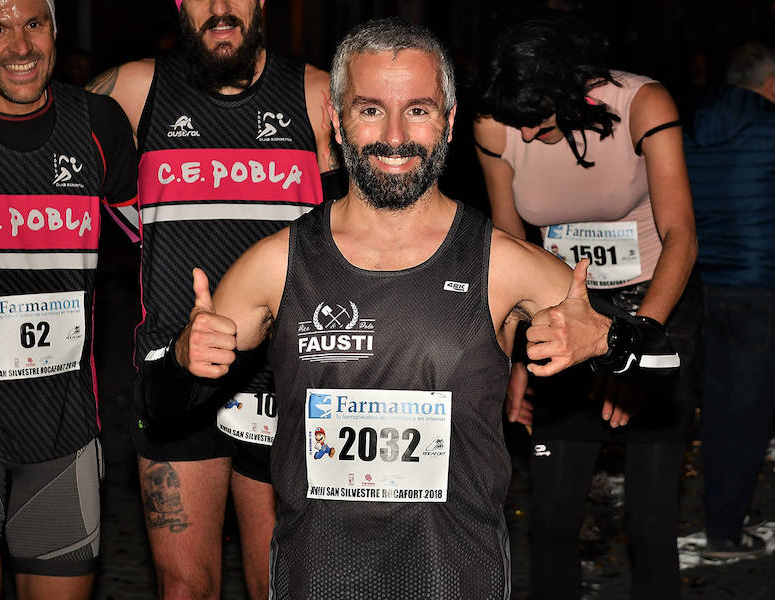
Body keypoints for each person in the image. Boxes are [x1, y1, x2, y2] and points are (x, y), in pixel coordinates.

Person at [142, 17, 680, 598]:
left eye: (418, 110)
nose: (394, 136)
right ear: (337, 122)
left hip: (456, 578)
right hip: (316, 579)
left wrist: (608, 342)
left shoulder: (500, 263)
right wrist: (180, 360)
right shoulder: (277, 265)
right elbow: (162, 412)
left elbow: (664, 361)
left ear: (449, 123)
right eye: (370, 109)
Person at [0, 2, 340, 597]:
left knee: (283, 584)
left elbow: (380, 199)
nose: (220, 8)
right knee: (184, 587)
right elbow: (27, 106)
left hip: (283, 377)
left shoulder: (321, 96)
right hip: (173, 371)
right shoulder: (132, 92)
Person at [0, 1, 137, 598]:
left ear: (55, 30)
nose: (20, 46)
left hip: (63, 435)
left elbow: (159, 235)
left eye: (34, 23)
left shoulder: (97, 124)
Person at [474, 12, 698, 600]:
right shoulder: (499, 125)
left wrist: (634, 351)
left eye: (539, 121)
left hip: (655, 311)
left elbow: (682, 236)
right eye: (516, 122)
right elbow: (512, 247)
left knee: (649, 528)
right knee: (549, 522)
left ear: (576, 87)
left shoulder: (643, 104)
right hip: (560, 316)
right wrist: (514, 361)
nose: (523, 137)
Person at [683, 42, 775, 559]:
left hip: (699, 286)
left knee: (716, 408)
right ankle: (725, 532)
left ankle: (723, 514)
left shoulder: (689, 125)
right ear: (773, 83)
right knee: (749, 412)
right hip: (759, 285)